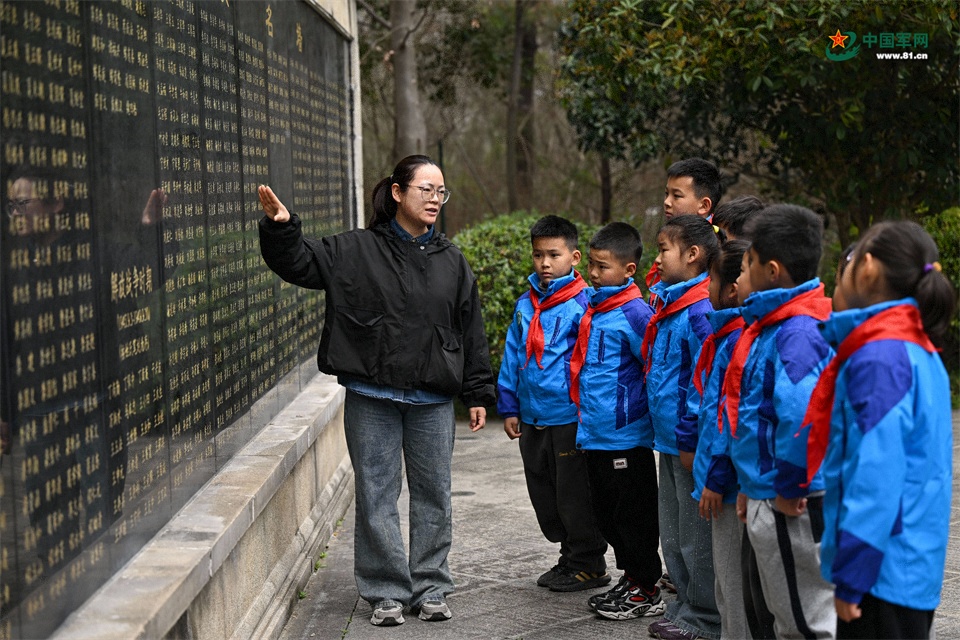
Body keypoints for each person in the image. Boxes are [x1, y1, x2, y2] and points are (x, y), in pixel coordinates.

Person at [257, 155, 496, 627]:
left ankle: (430, 586)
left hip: (432, 399)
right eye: (426, 189)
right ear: (398, 193)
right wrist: (282, 228)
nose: (435, 199)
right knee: (376, 495)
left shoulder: (451, 260)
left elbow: (471, 329)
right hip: (372, 395)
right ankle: (386, 591)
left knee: (434, 495)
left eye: (441, 192)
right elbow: (300, 263)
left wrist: (478, 393)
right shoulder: (356, 249)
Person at [804, 221, 955, 639]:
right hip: (905, 564)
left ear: (867, 267)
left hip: (881, 573)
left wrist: (853, 573)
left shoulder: (880, 359)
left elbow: (875, 477)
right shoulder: (914, 347)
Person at [722, 204, 836, 639]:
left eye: (747, 263)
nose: (740, 273)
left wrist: (789, 487)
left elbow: (803, 416)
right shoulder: (773, 325)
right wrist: (748, 485)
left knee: (805, 621)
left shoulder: (796, 333)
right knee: (787, 612)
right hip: (767, 489)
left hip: (789, 498)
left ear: (771, 271)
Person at [497, 215, 609, 593]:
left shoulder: (585, 304)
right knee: (544, 492)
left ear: (574, 257)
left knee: (573, 493)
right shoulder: (525, 304)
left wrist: (593, 412)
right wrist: (509, 406)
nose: (545, 263)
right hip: (532, 415)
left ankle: (588, 562)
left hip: (569, 416)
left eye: (554, 255)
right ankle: (569, 556)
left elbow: (594, 362)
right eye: (538, 255)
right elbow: (513, 356)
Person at [569, 222, 663, 621]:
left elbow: (653, 365)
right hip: (595, 433)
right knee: (607, 513)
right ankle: (631, 578)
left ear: (628, 270)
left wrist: (637, 413)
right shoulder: (596, 308)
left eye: (602, 266)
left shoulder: (635, 313)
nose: (592, 273)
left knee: (633, 515)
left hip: (626, 437)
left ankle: (647, 588)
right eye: (591, 264)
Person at [643, 215, 720, 640]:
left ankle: (706, 618)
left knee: (695, 537)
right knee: (672, 535)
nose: (657, 258)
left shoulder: (699, 311)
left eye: (663, 249)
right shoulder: (669, 306)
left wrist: (690, 437)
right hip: (668, 440)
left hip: (688, 445)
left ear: (692, 254)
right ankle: (686, 607)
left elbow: (702, 382)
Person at [683, 238, 751, 640]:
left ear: (731, 290)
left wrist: (717, 478)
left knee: (733, 584)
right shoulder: (723, 336)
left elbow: (732, 416)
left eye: (710, 279)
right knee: (729, 585)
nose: (705, 287)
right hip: (721, 479)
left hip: (729, 487)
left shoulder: (737, 340)